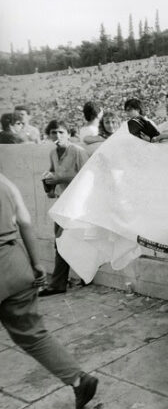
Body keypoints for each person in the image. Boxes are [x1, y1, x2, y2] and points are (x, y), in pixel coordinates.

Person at [0, 173, 98, 409]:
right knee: (33, 334)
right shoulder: (5, 182)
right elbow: (24, 223)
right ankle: (78, 379)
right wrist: (36, 263)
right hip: (14, 263)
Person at [39, 120, 89, 297]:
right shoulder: (53, 152)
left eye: (61, 132)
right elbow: (52, 172)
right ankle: (82, 276)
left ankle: (58, 284)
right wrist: (50, 187)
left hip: (77, 204)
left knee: (62, 242)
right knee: (62, 242)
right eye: (54, 132)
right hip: (62, 202)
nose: (57, 136)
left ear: (68, 133)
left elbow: (87, 177)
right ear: (49, 135)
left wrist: (59, 178)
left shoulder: (78, 151)